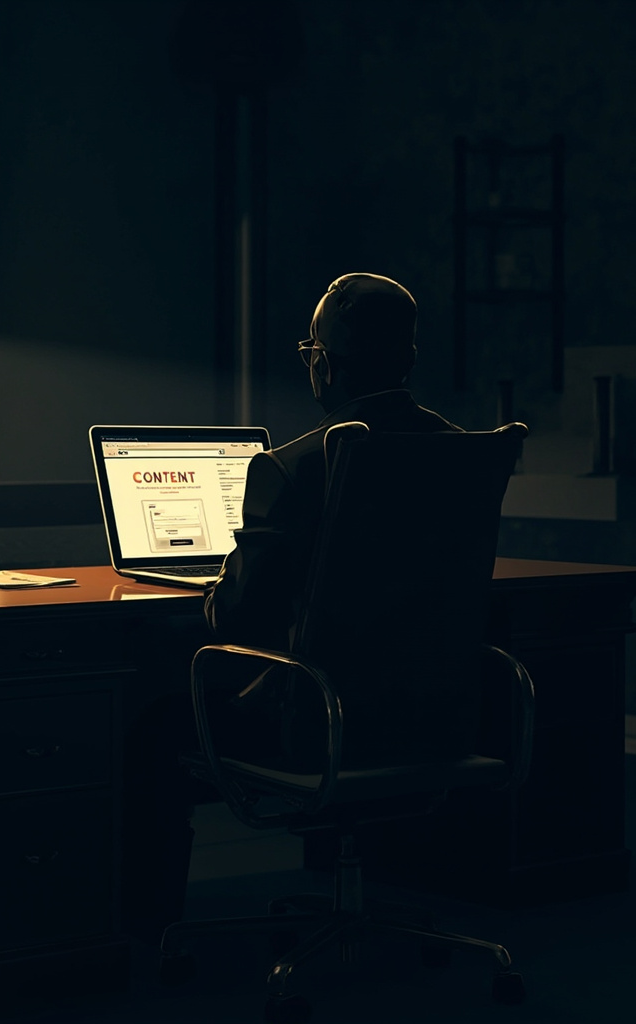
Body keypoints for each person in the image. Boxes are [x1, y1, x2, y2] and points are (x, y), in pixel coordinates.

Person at [121, 271, 461, 944]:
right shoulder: (460, 451)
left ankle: (146, 931)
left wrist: (221, 581)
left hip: (319, 725)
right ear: (410, 357)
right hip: (434, 715)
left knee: (150, 723)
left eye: (311, 350)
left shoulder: (294, 466)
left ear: (324, 365)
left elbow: (236, 621)